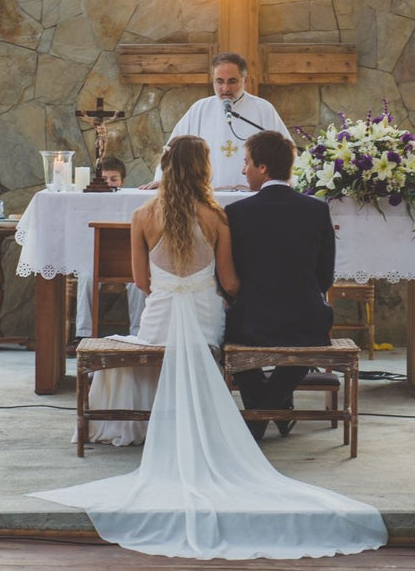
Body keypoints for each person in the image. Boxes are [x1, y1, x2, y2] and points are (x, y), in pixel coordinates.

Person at [30, 135, 388, 560]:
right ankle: (264, 412)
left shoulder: (144, 214)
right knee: (236, 335)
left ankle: (211, 415)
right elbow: (235, 282)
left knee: (164, 336)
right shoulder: (221, 217)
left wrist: (177, 288)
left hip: (162, 318)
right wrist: (216, 293)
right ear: (203, 171)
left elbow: (141, 283)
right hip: (209, 320)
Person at [225, 131, 335, 440]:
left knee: (231, 334)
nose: (243, 170)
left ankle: (257, 420)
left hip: (251, 321)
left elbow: (229, 276)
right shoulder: (317, 210)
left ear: (263, 168)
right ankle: (274, 408)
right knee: (309, 341)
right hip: (306, 320)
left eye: (246, 163)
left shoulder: (236, 213)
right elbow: (325, 275)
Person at [145, 52, 291, 191]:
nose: (225, 88)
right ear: (213, 80)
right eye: (219, 81)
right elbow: (173, 149)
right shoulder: (200, 109)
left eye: (232, 81)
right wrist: (162, 178)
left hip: (253, 197)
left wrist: (289, 182)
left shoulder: (263, 109)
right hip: (207, 197)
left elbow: (285, 152)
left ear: (245, 80)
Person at [73, 156, 145, 349]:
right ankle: (84, 334)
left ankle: (138, 334)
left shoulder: (132, 200)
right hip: (96, 257)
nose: (110, 183)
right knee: (86, 278)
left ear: (123, 181)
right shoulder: (89, 200)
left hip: (125, 259)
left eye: (114, 179)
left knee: (138, 283)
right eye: (104, 179)